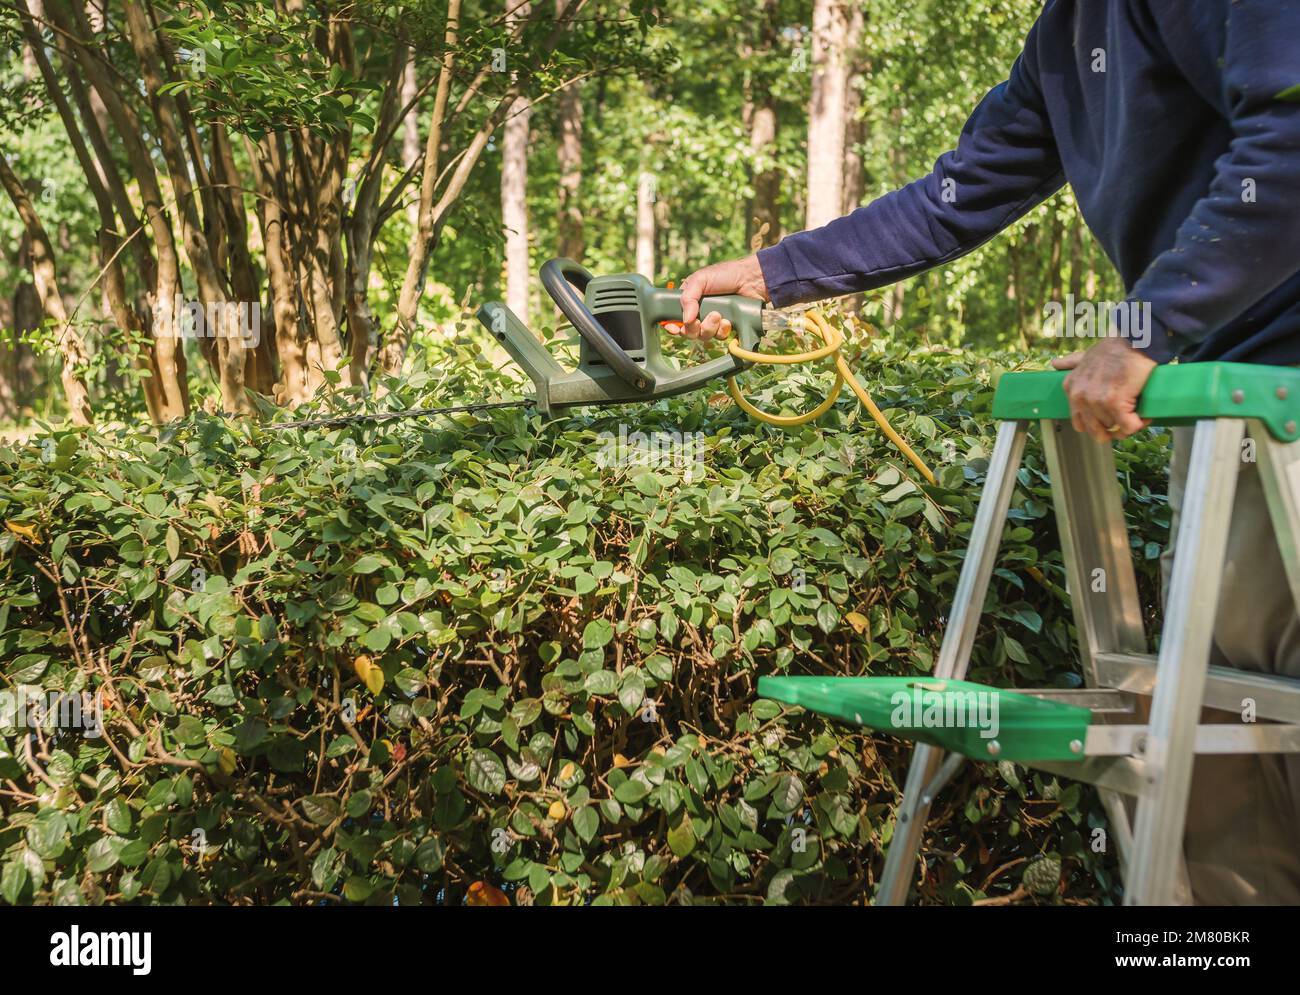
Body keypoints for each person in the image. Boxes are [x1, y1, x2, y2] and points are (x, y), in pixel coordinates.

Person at [675, 0, 1300, 905]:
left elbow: (1291, 132)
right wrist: (778, 272)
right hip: (1221, 397)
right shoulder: (1066, 34)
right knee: (1223, 726)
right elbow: (956, 193)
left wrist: (1145, 326)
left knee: (1255, 711)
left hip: (1277, 395)